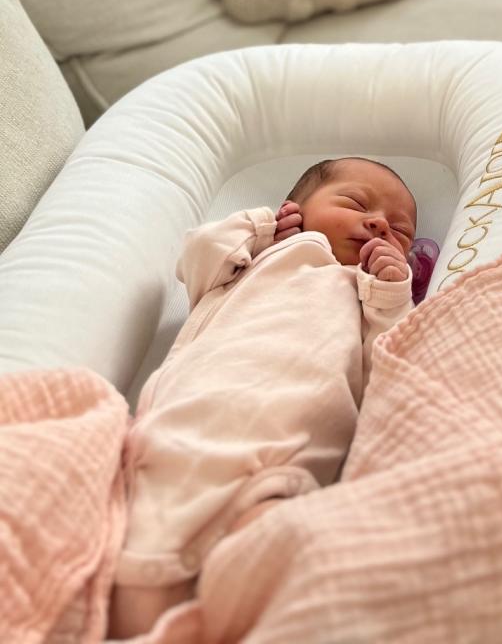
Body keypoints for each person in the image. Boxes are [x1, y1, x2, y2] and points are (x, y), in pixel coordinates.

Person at [109, 156, 418, 639]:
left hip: (282, 466)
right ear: (295, 209)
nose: (380, 224)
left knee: (280, 561)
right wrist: (259, 228)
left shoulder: (368, 295)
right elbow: (194, 256)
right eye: (357, 203)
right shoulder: (252, 261)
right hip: (177, 437)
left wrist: (394, 294)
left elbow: (393, 369)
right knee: (137, 557)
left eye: (401, 232)